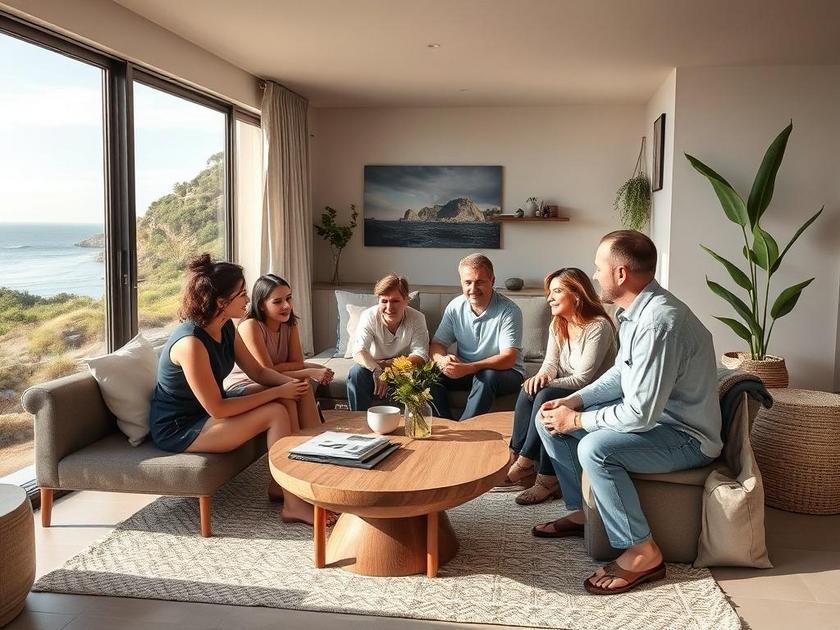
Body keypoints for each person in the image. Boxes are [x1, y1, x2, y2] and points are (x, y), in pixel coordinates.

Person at [533, 230, 722, 595]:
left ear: (620, 273)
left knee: (595, 448)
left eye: (598, 267)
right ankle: (581, 511)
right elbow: (622, 374)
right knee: (549, 416)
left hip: (686, 437)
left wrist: (578, 421)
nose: (595, 275)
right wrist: (575, 403)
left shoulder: (659, 322)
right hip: (659, 422)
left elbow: (639, 415)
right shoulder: (635, 312)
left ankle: (642, 550)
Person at [149, 255, 335, 527]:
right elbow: (218, 409)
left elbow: (258, 372)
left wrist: (288, 385)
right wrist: (276, 393)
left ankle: (289, 481)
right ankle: (293, 504)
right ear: (221, 302)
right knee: (275, 411)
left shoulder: (225, 327)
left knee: (292, 393)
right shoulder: (191, 343)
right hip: (182, 427)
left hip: (211, 413)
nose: (247, 300)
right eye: (242, 294)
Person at [506, 267, 616, 505]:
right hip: (566, 388)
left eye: (556, 292)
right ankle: (516, 456)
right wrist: (541, 377)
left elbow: (584, 378)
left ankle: (541, 476)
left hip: (595, 394)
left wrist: (547, 384)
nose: (549, 298)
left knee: (545, 394)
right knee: (531, 388)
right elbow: (550, 364)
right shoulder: (558, 323)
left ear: (576, 295)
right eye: (550, 292)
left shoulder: (598, 326)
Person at [225, 273, 334, 429]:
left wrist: (297, 369)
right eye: (277, 302)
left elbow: (296, 363)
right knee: (298, 386)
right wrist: (308, 372)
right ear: (261, 305)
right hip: (246, 383)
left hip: (271, 378)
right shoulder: (251, 326)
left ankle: (312, 438)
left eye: (288, 298)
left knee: (301, 384)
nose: (286, 306)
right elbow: (265, 373)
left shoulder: (289, 324)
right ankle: (296, 441)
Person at [429, 254, 524, 420]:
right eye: (468, 282)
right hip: (467, 370)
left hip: (506, 373)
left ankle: (465, 429)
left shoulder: (509, 311)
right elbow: (437, 344)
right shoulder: (455, 307)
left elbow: (508, 358)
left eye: (479, 282)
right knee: (429, 375)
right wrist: (442, 361)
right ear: (461, 282)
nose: (473, 289)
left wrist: (470, 367)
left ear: (492, 281)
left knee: (486, 376)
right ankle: (444, 426)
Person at [346, 274, 430, 411]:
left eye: (395, 301)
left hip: (404, 371)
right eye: (384, 301)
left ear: (406, 300)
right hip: (374, 368)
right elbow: (359, 351)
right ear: (378, 301)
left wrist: (389, 366)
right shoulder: (369, 316)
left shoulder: (417, 318)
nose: (389, 307)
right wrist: (378, 370)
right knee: (356, 373)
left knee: (424, 378)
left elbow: (421, 356)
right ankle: (359, 420)